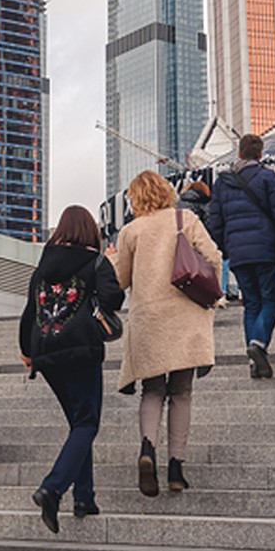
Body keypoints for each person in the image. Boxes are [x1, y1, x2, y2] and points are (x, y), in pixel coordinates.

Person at [115, 170, 221, 496]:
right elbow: (214, 257)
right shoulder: (184, 219)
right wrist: (209, 294)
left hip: (149, 319)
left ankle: (148, 449)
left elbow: (120, 281)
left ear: (136, 198)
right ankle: (176, 468)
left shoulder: (130, 231)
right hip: (185, 317)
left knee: (152, 390)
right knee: (182, 393)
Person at [19, 205, 124, 530]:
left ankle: (84, 496)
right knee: (86, 422)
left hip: (46, 351)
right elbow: (114, 298)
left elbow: (30, 308)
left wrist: (26, 350)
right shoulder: (95, 261)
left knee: (78, 423)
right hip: (80, 349)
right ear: (89, 231)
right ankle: (52, 488)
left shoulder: (44, 263)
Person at [207, 133, 275, 380]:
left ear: (239, 153)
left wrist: (225, 247)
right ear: (260, 155)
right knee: (271, 300)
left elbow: (214, 220)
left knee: (251, 303)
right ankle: (258, 344)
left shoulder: (222, 183)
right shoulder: (268, 177)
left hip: (238, 252)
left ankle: (254, 361)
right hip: (265, 249)